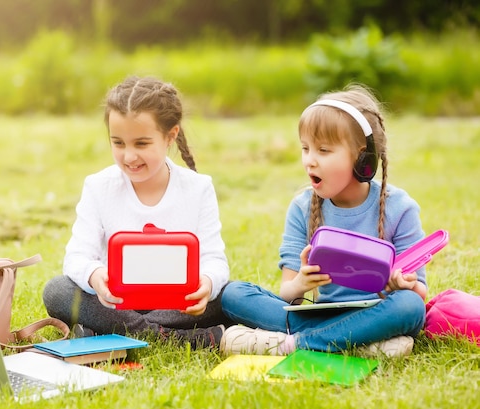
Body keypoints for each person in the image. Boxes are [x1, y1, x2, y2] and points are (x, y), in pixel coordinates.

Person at [220, 84, 427, 357]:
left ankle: (294, 344)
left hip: (377, 312)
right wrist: (301, 284)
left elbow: (419, 293)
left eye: (324, 151)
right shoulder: (302, 208)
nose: (309, 161)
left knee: (409, 306)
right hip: (319, 317)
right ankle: (356, 343)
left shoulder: (400, 208)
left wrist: (404, 284)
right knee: (233, 293)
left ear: (362, 156)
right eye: (306, 148)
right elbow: (288, 294)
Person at [42, 75, 232, 348]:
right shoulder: (99, 186)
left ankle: (108, 334)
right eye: (118, 143)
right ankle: (175, 339)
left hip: (173, 304)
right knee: (58, 291)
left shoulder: (199, 188)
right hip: (116, 303)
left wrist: (207, 283)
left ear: (170, 136)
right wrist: (95, 276)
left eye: (141, 144)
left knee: (227, 295)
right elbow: (77, 257)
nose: (129, 156)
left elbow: (214, 259)